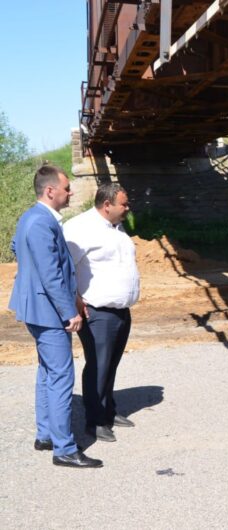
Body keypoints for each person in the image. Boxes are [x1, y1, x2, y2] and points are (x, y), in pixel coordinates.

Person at [8, 165, 102, 468]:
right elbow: (51, 275)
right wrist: (69, 311)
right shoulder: (40, 222)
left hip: (36, 307)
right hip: (48, 311)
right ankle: (64, 448)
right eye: (66, 188)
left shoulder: (30, 218)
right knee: (61, 375)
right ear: (51, 191)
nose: (70, 192)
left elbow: (16, 247)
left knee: (47, 372)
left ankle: (46, 434)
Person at [64, 182, 140, 443]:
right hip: (96, 312)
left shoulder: (116, 227)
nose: (128, 208)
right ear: (107, 205)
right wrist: (73, 300)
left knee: (111, 364)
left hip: (120, 311)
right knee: (98, 366)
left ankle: (108, 410)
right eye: (124, 204)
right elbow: (64, 268)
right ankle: (95, 421)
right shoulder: (79, 228)